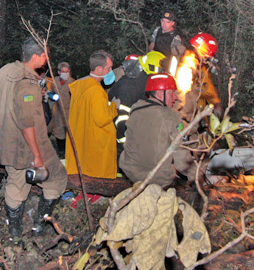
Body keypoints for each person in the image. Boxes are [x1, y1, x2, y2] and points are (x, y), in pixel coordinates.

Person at [0, 38, 67, 238]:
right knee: (57, 179)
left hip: (7, 142)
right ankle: (40, 224)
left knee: (16, 184)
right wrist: (37, 155)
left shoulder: (6, 70)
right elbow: (26, 123)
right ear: (35, 56)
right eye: (44, 54)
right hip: (31, 144)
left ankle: (14, 231)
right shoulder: (28, 83)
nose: (46, 58)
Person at [119, 73, 195, 187]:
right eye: (171, 93)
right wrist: (198, 177)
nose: (175, 97)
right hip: (158, 179)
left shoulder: (135, 110)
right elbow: (182, 158)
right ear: (160, 93)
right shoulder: (172, 117)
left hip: (130, 173)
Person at [65, 50, 118, 179]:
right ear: (99, 69)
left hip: (81, 137)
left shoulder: (81, 85)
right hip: (95, 143)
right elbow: (102, 119)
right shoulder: (96, 91)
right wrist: (113, 107)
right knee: (97, 175)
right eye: (109, 68)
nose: (111, 71)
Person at [108, 51, 166, 148]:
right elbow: (122, 118)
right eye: (161, 70)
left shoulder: (142, 82)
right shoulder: (129, 86)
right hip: (120, 142)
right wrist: (126, 144)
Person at [47, 62, 74, 157]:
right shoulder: (54, 82)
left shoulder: (73, 82)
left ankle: (69, 153)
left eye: (67, 71)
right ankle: (61, 152)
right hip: (58, 111)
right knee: (59, 132)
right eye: (63, 71)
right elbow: (50, 93)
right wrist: (51, 96)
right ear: (59, 72)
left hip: (70, 111)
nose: (65, 73)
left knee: (70, 133)